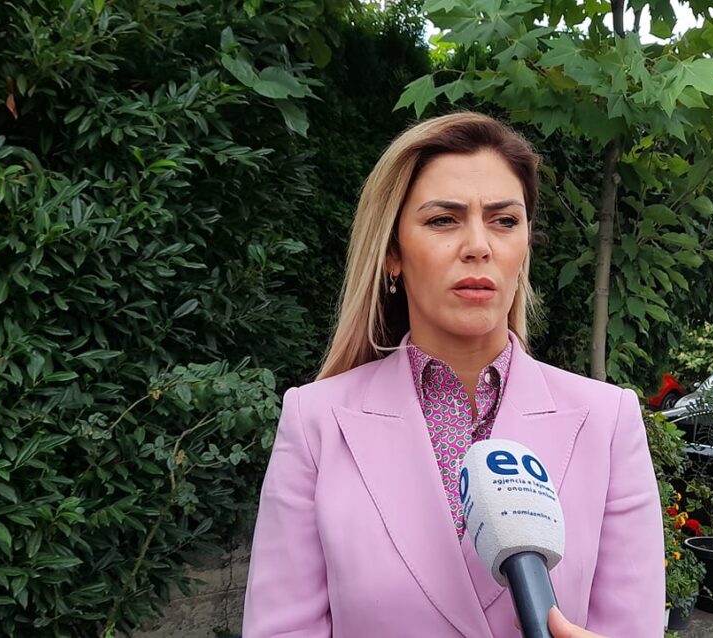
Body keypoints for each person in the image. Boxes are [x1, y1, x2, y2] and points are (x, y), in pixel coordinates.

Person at [242, 112, 664, 637]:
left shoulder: (608, 422)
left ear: (524, 246)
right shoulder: (315, 423)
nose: (478, 246)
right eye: (444, 220)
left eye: (504, 221)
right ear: (392, 252)